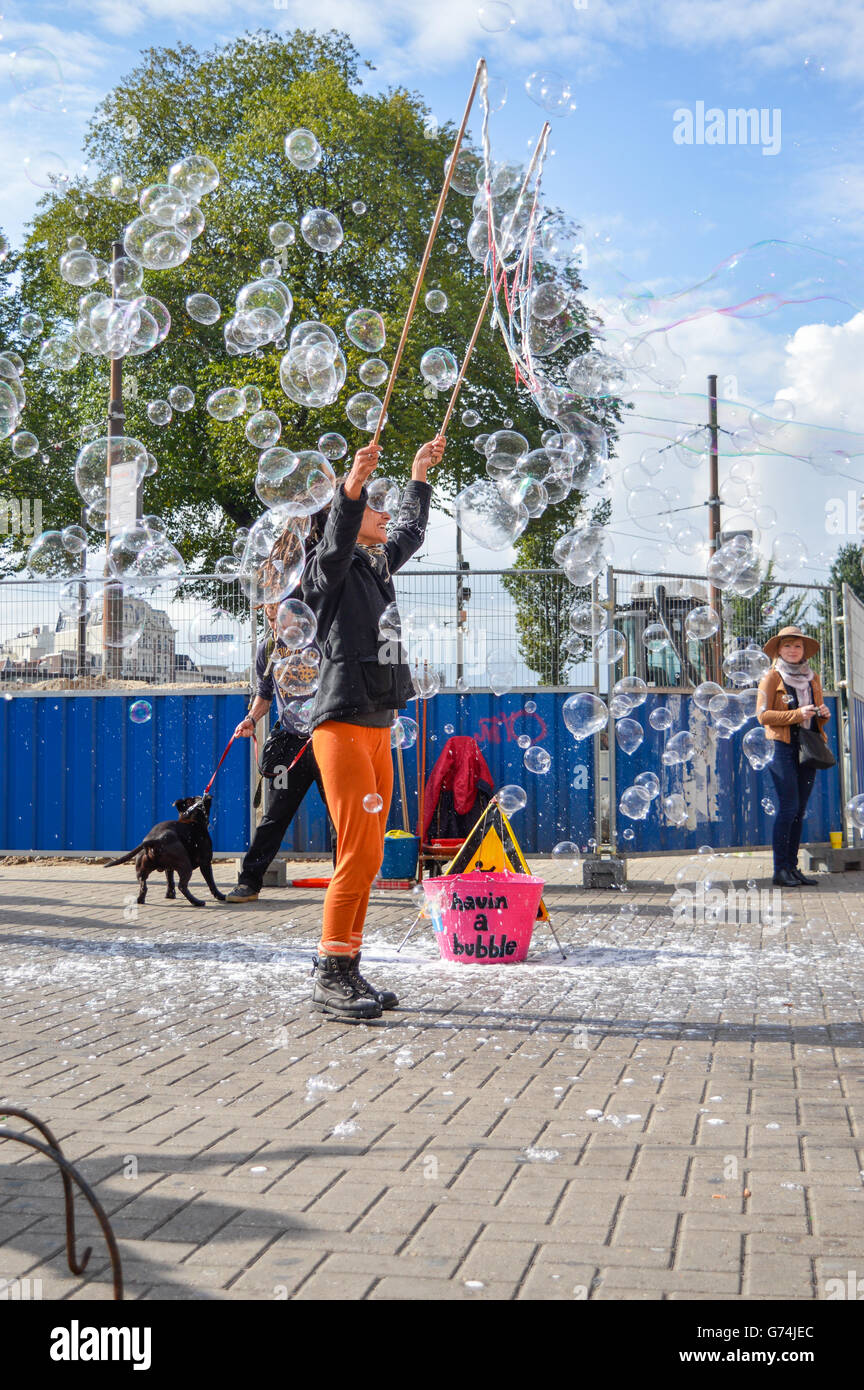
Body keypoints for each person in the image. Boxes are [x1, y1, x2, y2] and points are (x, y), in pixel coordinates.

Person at [301, 434, 445, 1022]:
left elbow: (409, 529)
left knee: (370, 852)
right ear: (349, 517)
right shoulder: (327, 571)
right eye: (371, 509)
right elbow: (335, 543)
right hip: (339, 722)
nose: (383, 515)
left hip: (378, 722)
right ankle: (331, 971)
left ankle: (347, 962)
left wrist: (417, 475)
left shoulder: (377, 562)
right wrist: (352, 488)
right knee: (357, 854)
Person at [227, 597, 334, 902]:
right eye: (270, 620)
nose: (274, 627)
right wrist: (250, 719)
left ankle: (346, 884)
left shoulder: (321, 642)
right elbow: (264, 695)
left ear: (298, 617)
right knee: (274, 815)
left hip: (326, 738)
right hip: (289, 742)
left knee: (339, 817)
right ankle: (249, 882)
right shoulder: (268, 650)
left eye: (279, 620)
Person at [757, 626, 831, 888]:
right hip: (781, 747)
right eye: (787, 645)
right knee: (788, 807)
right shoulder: (771, 677)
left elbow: (818, 716)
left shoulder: (813, 678)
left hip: (806, 748)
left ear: (803, 651)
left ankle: (793, 868)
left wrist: (823, 713)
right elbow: (763, 716)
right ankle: (780, 871)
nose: (792, 650)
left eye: (797, 646)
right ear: (778, 650)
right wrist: (796, 715)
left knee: (799, 810)